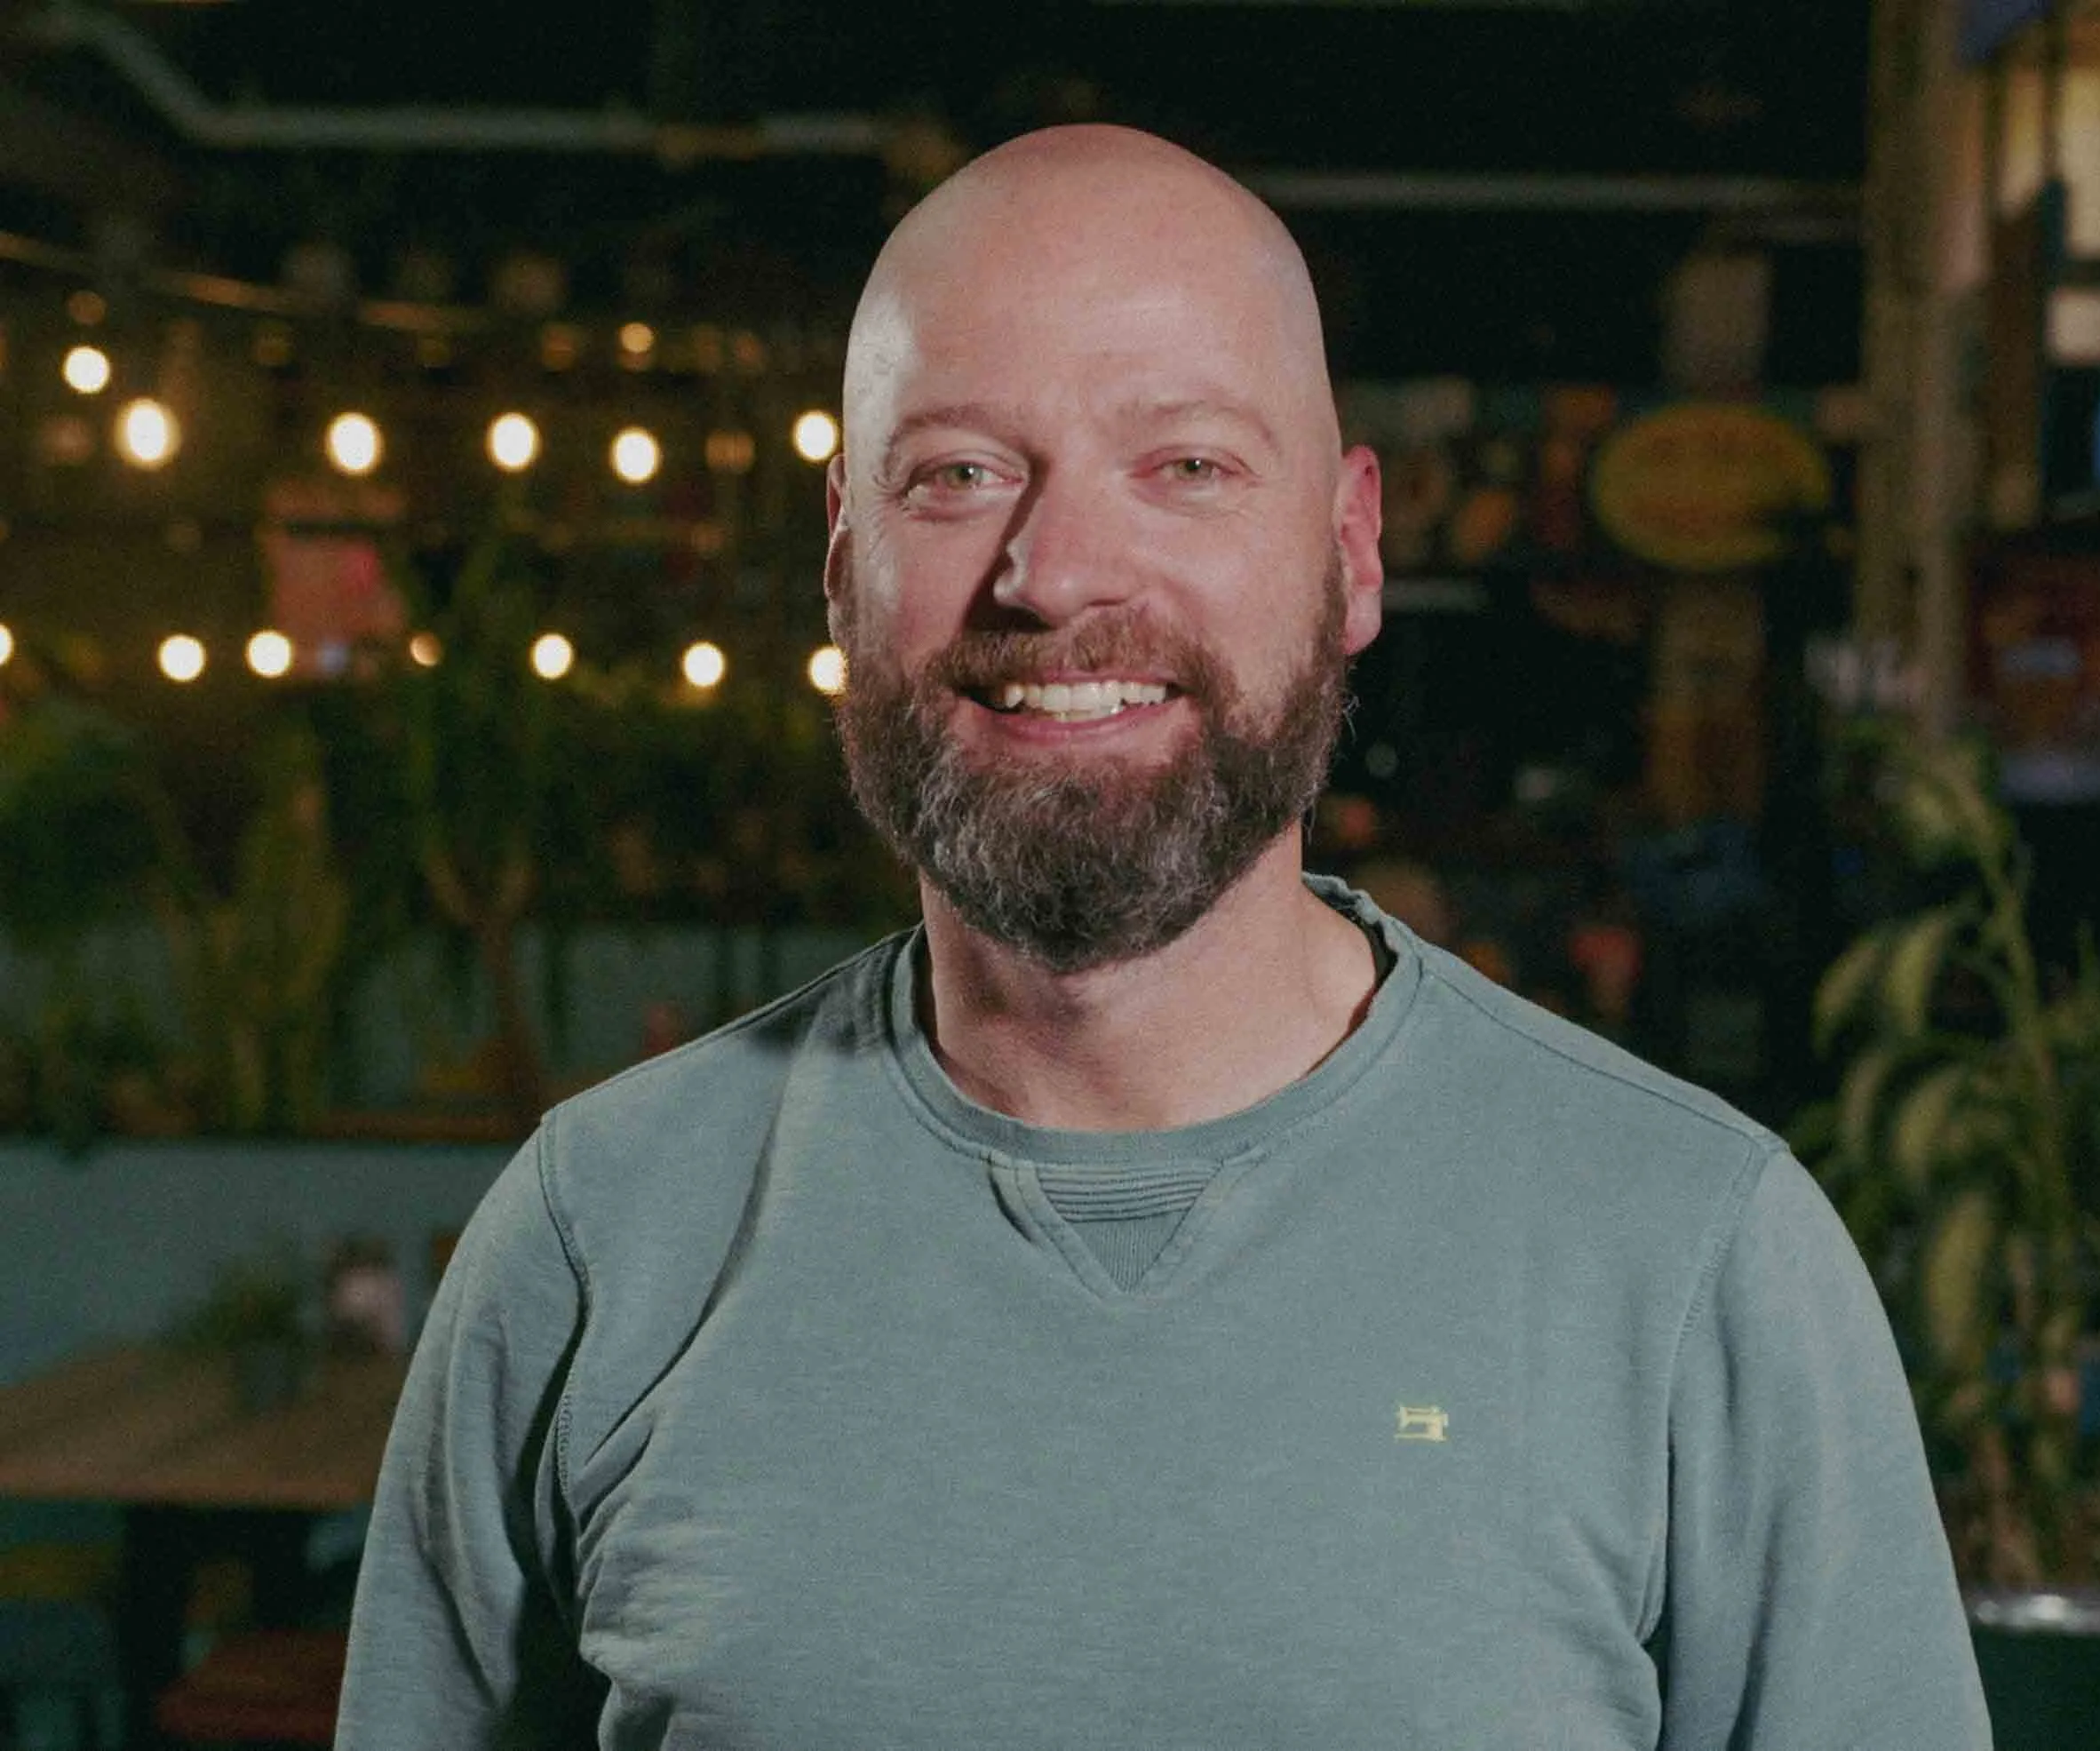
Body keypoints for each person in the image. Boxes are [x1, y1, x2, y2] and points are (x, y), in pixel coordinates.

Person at [336, 125, 1991, 1748]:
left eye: (1185, 465)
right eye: (960, 474)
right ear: (845, 560)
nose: (1054, 575)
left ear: (1350, 552)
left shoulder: (1696, 1254)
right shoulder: (595, 1239)